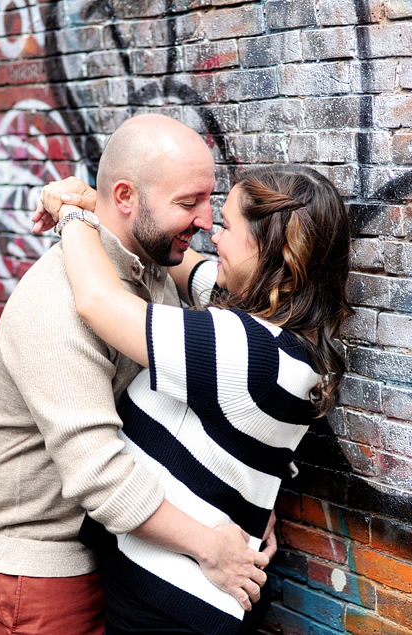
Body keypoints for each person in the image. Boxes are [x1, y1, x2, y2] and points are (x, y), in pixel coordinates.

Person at [0, 114, 272, 635]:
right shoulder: (58, 302)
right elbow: (99, 475)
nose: (205, 220)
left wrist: (250, 503)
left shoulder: (149, 268)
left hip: (113, 546)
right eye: (188, 202)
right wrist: (211, 545)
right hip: (40, 564)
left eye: (207, 199)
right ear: (126, 197)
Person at [38, 164, 353, 635]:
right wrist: (99, 206)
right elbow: (185, 266)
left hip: (167, 608)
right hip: (194, 601)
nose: (214, 237)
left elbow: (99, 303)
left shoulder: (244, 349)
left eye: (227, 226)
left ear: (271, 250)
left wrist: (69, 215)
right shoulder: (291, 342)